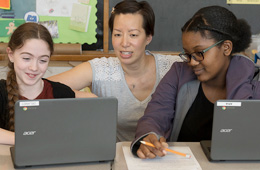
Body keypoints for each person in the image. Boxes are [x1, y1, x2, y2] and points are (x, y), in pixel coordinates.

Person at [131, 5, 260, 159]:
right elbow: (156, 114)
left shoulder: (254, 81)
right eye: (188, 54)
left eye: (199, 53)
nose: (192, 62)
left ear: (226, 47)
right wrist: (150, 135)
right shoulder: (179, 73)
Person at [48, 0, 182, 141]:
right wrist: (82, 97)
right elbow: (41, 88)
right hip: (116, 156)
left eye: (133, 35)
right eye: (117, 34)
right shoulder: (102, 69)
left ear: (149, 37)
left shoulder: (173, 68)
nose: (124, 43)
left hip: (163, 155)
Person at [0, 23, 75, 145]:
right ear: (11, 55)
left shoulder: (63, 94)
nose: (34, 67)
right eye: (26, 58)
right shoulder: (1, 93)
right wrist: (28, 140)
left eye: (43, 60)